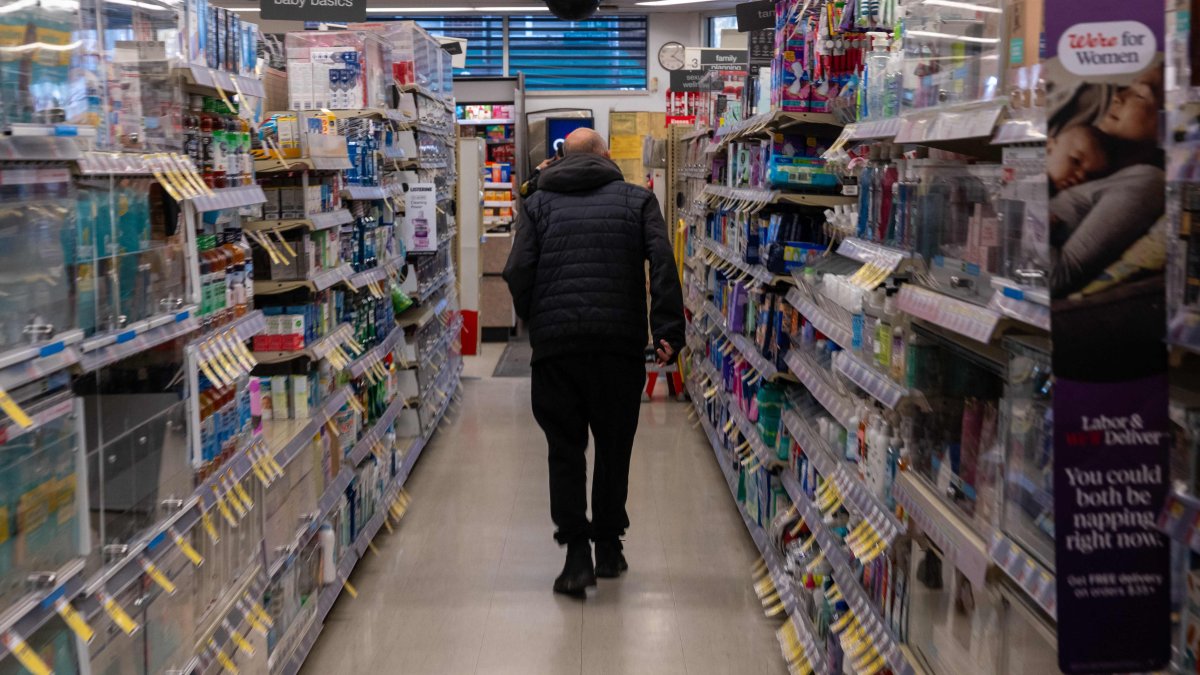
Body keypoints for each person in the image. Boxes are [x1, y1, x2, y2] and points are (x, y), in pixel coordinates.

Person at [502, 128, 685, 597]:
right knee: (613, 447)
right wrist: (667, 330)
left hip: (557, 351)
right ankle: (608, 546)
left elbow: (517, 269)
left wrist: (537, 318)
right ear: (606, 155)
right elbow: (662, 263)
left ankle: (575, 557)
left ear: (561, 158)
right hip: (617, 347)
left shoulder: (538, 204)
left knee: (564, 451)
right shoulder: (636, 201)